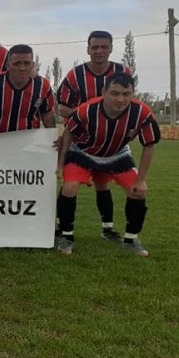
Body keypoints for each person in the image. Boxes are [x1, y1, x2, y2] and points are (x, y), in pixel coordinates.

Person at [55, 73, 159, 257]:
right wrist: (61, 163)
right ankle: (66, 236)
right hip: (83, 152)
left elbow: (149, 145)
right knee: (69, 187)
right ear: (104, 92)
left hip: (117, 153)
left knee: (139, 191)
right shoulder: (87, 110)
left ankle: (130, 239)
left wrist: (140, 180)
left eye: (126, 94)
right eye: (115, 93)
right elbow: (69, 133)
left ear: (133, 93)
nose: (121, 99)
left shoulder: (142, 113)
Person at [56, 30, 131, 242]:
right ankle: (63, 228)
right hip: (81, 142)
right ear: (88, 49)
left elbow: (128, 101)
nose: (99, 51)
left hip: (111, 143)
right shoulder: (75, 75)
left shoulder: (122, 71)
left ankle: (107, 229)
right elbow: (62, 108)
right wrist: (88, 114)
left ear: (111, 48)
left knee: (102, 184)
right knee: (70, 185)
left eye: (103, 47)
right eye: (94, 47)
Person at [0, 44, 56, 133]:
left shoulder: (42, 86)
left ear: (33, 65)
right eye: (17, 64)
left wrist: (52, 136)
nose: (22, 68)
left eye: (27, 63)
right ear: (8, 65)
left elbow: (47, 115)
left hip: (28, 140)